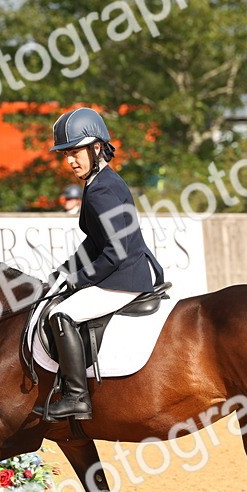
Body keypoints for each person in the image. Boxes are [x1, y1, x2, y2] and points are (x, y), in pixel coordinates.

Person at [35, 107, 164, 422]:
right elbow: (95, 241)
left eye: (75, 152)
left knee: (61, 313)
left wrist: (80, 280)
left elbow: (114, 251)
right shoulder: (99, 182)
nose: (69, 160)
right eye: (66, 154)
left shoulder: (101, 189)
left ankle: (77, 397)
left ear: (96, 148)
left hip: (123, 278)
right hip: (123, 272)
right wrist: (63, 272)